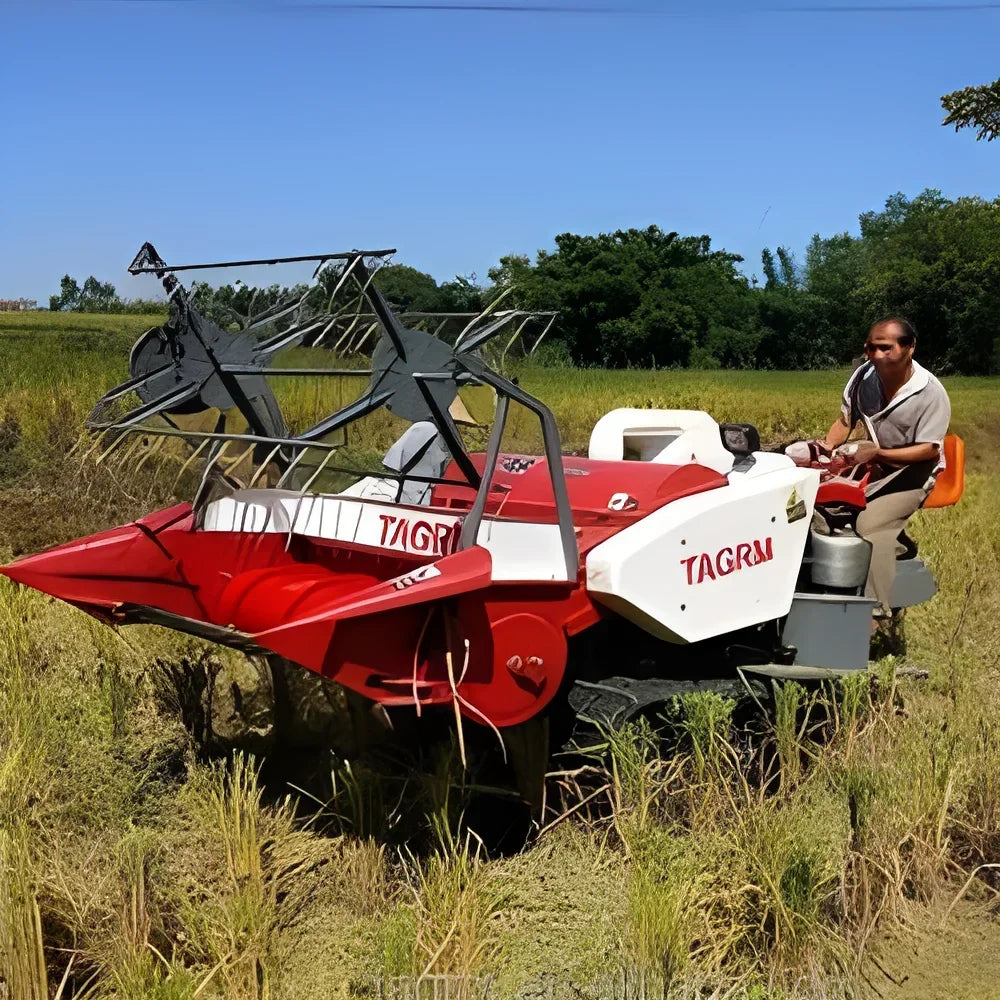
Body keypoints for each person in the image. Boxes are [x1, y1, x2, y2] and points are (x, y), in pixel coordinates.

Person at [820, 316, 951, 615]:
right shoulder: (861, 378)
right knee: (821, 504)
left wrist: (878, 455)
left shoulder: (930, 392)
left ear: (910, 348)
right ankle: (894, 552)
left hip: (915, 471)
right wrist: (826, 450)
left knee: (871, 524)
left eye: (886, 348)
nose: (876, 355)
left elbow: (928, 449)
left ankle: (875, 612)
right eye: (871, 348)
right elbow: (845, 420)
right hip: (877, 460)